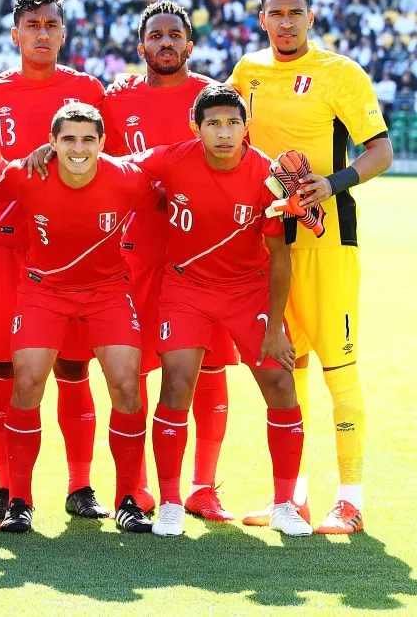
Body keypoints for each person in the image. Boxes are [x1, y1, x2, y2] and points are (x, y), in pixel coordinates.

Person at [228, 0, 393, 534]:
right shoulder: (246, 72)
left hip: (328, 239)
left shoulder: (340, 73)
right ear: (262, 17)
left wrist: (332, 183)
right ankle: (291, 497)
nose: (286, 21)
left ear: (311, 16)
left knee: (338, 368)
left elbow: (380, 151)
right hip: (270, 241)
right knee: (284, 364)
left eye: (296, 12)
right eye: (276, 12)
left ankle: (350, 499)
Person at [134, 84, 311, 538]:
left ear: (246, 127)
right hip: (185, 287)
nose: (224, 132)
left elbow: (280, 256)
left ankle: (284, 505)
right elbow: (115, 166)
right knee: (176, 384)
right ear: (196, 129)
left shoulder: (269, 176)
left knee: (279, 380)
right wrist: (50, 153)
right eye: (213, 123)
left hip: (246, 291)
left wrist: (274, 328)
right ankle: (171, 502)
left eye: (233, 122)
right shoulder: (171, 159)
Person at [0, 0, 109, 520]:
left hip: (74, 255)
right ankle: (6, 488)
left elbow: (108, 168)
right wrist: (22, 166)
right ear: (15, 34)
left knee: (74, 369)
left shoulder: (89, 90)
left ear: (63, 33)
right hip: (7, 250)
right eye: (32, 25)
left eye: (51, 25)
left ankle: (80, 487)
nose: (42, 34)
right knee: (4, 369)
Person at [101, 0, 238, 522]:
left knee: (209, 368)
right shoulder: (117, 99)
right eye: (155, 35)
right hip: (135, 253)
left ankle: (203, 486)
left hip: (204, 256)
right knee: (130, 371)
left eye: (174, 34)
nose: (165, 42)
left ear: (189, 43)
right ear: (141, 47)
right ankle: (133, 491)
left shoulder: (212, 97)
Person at [0, 103, 154, 534]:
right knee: (25, 384)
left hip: (108, 292)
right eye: (68, 139)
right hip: (43, 291)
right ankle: (19, 501)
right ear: (52, 143)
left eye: (87, 139)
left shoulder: (128, 177)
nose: (78, 148)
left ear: (102, 142)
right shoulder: (27, 175)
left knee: (126, 384)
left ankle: (128, 499)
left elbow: (170, 194)